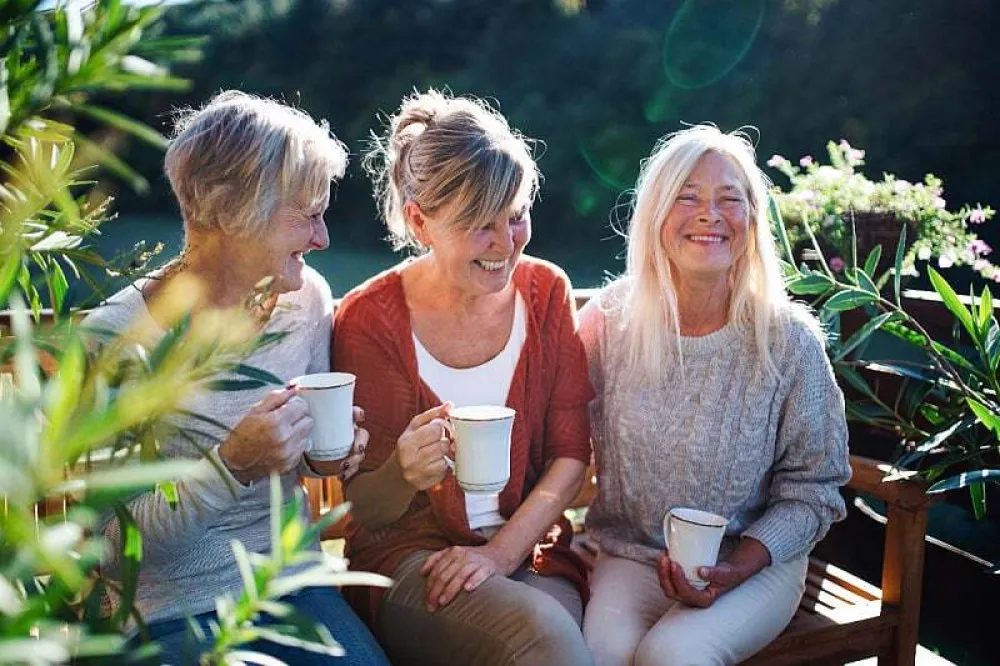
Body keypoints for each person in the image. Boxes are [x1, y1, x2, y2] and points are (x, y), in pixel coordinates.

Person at [82, 91, 389, 666]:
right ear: (227, 209)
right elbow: (115, 548)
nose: (323, 239)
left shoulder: (306, 301)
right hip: (162, 613)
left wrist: (328, 453)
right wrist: (230, 467)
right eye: (307, 214)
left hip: (288, 585)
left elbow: (306, 465)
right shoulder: (117, 339)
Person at [332, 90, 595, 666]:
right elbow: (368, 512)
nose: (506, 244)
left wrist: (500, 554)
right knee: (546, 641)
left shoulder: (546, 292)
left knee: (560, 641)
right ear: (421, 221)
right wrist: (403, 471)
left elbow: (569, 459)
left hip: (528, 553)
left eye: (517, 215)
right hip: (408, 561)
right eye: (482, 225)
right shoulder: (369, 320)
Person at [579, 125, 852, 666]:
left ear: (752, 222)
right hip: (631, 555)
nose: (710, 213)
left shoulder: (789, 341)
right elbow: (555, 432)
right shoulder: (609, 320)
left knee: (673, 656)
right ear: (656, 214)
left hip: (757, 564)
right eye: (687, 197)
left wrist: (740, 567)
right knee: (597, 656)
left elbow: (816, 487)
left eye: (730, 199)